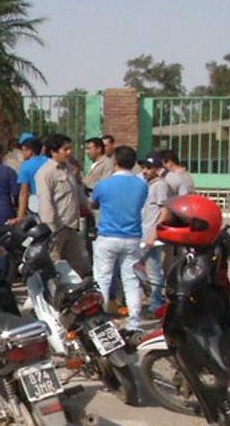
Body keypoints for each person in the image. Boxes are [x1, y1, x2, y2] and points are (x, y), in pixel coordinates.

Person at [90, 146, 148, 335]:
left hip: (107, 236)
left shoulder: (104, 185)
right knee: (131, 281)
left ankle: (100, 321)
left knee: (102, 280)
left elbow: (93, 203)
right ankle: (134, 323)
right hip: (132, 237)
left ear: (115, 162)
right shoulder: (141, 185)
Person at [34, 134, 91, 277]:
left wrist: (89, 207)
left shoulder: (68, 169)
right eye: (65, 149)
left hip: (71, 227)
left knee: (80, 268)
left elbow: (78, 194)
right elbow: (46, 203)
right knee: (56, 269)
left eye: (69, 149)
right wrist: (50, 230)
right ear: (53, 152)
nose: (69, 152)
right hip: (56, 230)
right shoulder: (46, 173)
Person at [139, 151, 170, 313]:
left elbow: (164, 210)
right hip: (142, 233)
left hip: (151, 235)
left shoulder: (160, 185)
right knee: (137, 267)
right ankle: (152, 298)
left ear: (157, 169)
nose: (145, 170)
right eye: (144, 167)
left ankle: (156, 303)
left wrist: (154, 233)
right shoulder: (147, 183)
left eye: (149, 168)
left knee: (153, 271)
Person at [11, 133, 48, 222]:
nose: (22, 153)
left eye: (23, 150)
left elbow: (23, 193)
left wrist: (20, 217)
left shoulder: (25, 166)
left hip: (36, 204)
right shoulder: (49, 162)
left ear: (30, 151)